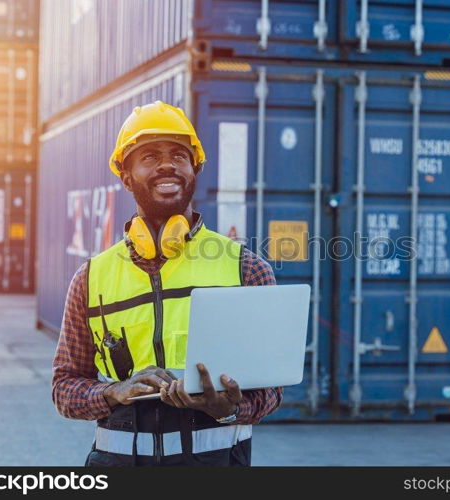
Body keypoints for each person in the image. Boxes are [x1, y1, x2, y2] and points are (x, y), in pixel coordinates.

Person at [52, 101, 282, 466]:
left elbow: (270, 391)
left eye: (179, 155)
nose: (166, 165)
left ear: (195, 169)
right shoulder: (90, 278)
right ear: (126, 177)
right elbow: (64, 388)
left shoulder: (247, 270)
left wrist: (227, 409)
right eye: (149, 157)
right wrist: (115, 392)